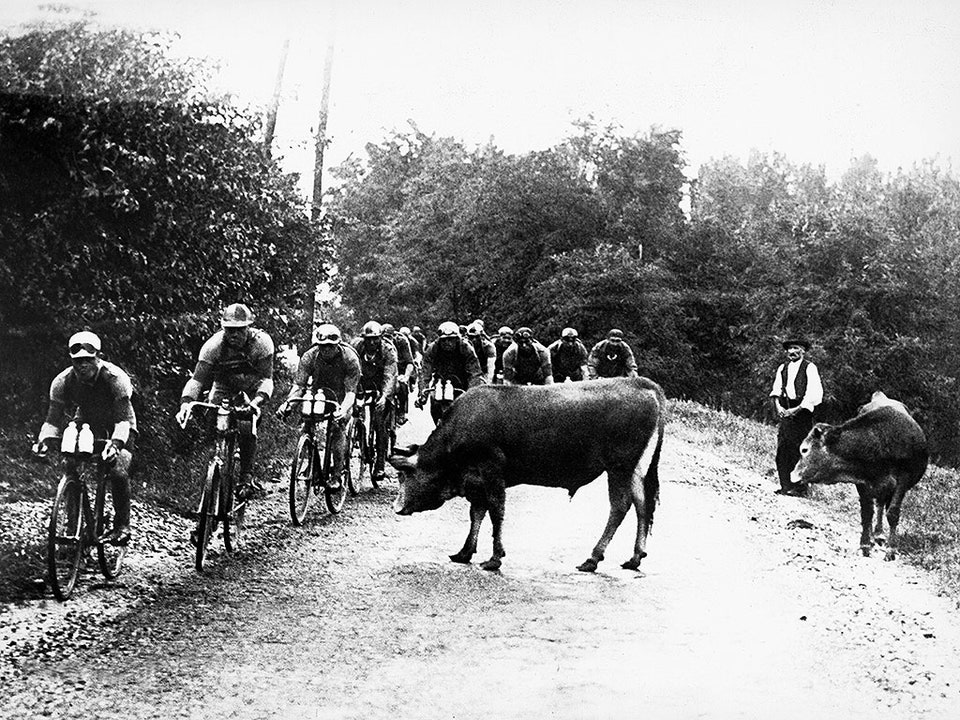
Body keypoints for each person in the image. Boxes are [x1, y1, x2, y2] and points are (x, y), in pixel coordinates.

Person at [32, 331, 137, 544]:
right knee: (71, 465)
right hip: (88, 423)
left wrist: (116, 445)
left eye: (88, 360)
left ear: (98, 357)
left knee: (117, 469)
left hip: (120, 424)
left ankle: (122, 526)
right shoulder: (62, 381)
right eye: (78, 361)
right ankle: (74, 527)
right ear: (71, 361)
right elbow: (52, 420)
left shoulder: (116, 378)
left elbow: (123, 421)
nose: (82, 366)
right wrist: (43, 441)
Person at [175, 303, 274, 499]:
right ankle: (215, 461)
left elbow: (267, 380)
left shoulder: (262, 343)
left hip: (252, 385)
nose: (234, 336)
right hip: (224, 385)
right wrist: (186, 404)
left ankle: (246, 476)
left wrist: (255, 404)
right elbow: (197, 380)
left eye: (239, 330)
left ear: (248, 328)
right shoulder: (213, 346)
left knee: (248, 424)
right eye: (229, 330)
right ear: (223, 329)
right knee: (212, 416)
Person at [278, 323, 360, 491]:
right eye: (322, 347)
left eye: (330, 346)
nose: (326, 350)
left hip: (342, 397)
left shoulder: (350, 358)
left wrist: (343, 410)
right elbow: (299, 386)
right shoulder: (309, 356)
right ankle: (313, 466)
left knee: (338, 427)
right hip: (318, 395)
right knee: (307, 426)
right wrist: (288, 404)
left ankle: (337, 475)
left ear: (337, 344)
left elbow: (351, 392)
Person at [770, 337, 823, 497]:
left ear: (803, 351)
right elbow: (776, 390)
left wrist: (797, 409)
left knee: (799, 449)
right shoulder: (783, 368)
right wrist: (779, 407)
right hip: (786, 411)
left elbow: (814, 393)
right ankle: (785, 485)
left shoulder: (809, 367)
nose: (792, 352)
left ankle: (800, 488)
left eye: (795, 348)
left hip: (802, 413)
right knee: (783, 447)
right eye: (789, 349)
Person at [352, 321, 398, 483]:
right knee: (353, 413)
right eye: (368, 339)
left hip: (381, 387)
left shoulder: (388, 350)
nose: (372, 343)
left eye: (375, 339)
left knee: (380, 421)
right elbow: (351, 370)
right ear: (363, 338)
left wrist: (385, 396)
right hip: (362, 384)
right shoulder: (356, 347)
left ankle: (380, 464)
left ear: (380, 338)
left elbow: (390, 375)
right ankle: (355, 439)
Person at [419, 321, 484, 405]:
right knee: (434, 402)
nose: (447, 342)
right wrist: (423, 394)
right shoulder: (432, 349)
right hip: (440, 381)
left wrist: (472, 395)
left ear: (457, 339)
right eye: (444, 340)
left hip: (462, 381)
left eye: (451, 339)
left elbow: (475, 373)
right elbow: (425, 373)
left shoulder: (466, 348)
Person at [383, 323, 413, 426]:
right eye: (384, 337)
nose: (386, 341)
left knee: (402, 386)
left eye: (388, 337)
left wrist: (406, 376)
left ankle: (401, 413)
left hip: (400, 370)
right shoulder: (380, 344)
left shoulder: (401, 341)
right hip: (386, 370)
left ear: (394, 336)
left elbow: (410, 362)